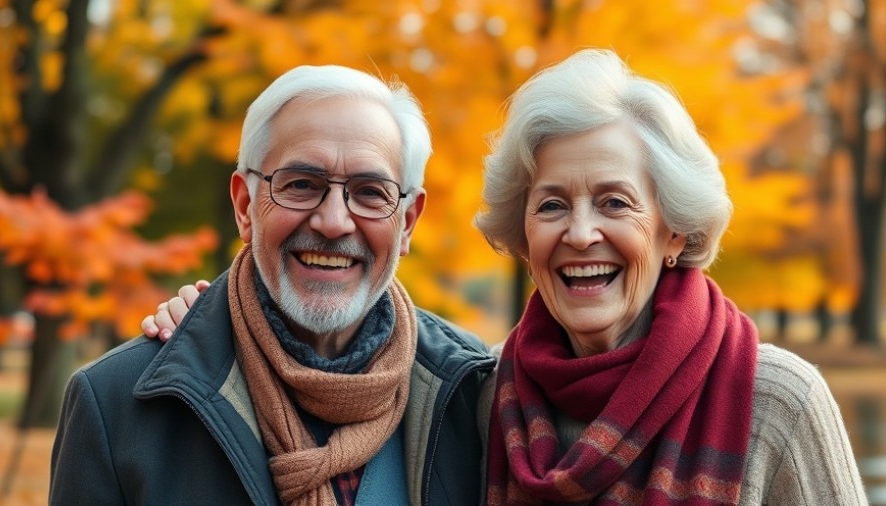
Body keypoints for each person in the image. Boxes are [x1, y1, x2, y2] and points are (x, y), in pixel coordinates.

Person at [146, 49, 868, 505]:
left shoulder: (775, 400)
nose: (580, 233)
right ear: (523, 233)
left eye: (613, 202)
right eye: (551, 204)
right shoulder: (483, 395)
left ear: (672, 228)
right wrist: (205, 328)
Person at [49, 64, 495, 506]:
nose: (334, 222)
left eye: (370, 192)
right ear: (245, 206)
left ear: (407, 224)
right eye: (301, 184)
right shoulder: (117, 405)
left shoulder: (473, 394)